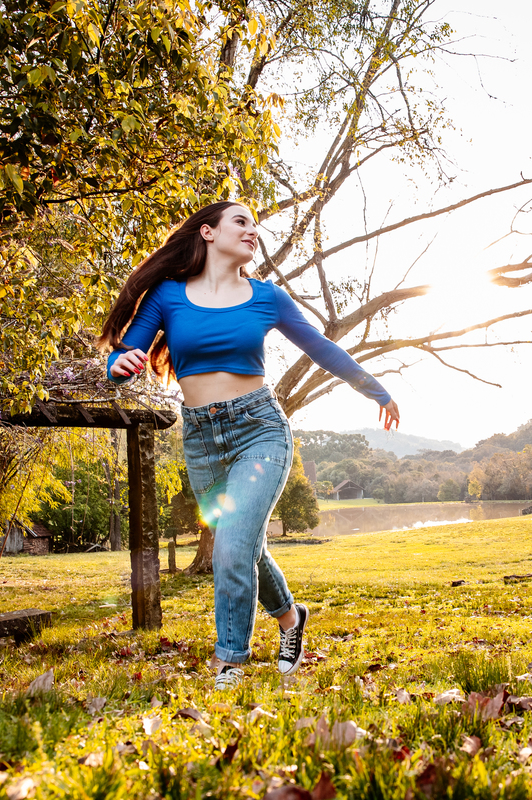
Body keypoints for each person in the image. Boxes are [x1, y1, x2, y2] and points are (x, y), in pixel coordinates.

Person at [99, 201, 401, 690]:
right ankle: (291, 618)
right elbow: (126, 353)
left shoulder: (267, 297)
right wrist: (119, 366)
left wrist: (376, 390)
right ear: (207, 232)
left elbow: (321, 348)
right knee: (244, 546)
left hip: (259, 430)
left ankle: (230, 665)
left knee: (232, 546)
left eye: (255, 226)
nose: (252, 231)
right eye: (240, 221)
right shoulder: (167, 295)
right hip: (201, 439)